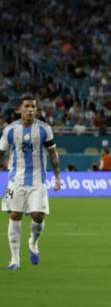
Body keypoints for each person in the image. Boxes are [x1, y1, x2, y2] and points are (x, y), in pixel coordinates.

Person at [1, 96, 63, 270]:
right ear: (19, 109)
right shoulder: (10, 130)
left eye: (33, 107)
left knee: (38, 216)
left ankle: (33, 242)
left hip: (38, 181)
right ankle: (14, 259)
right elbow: (1, 152)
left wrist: (57, 177)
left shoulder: (44, 129)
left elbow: (53, 154)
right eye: (27, 106)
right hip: (15, 181)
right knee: (15, 215)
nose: (30, 110)